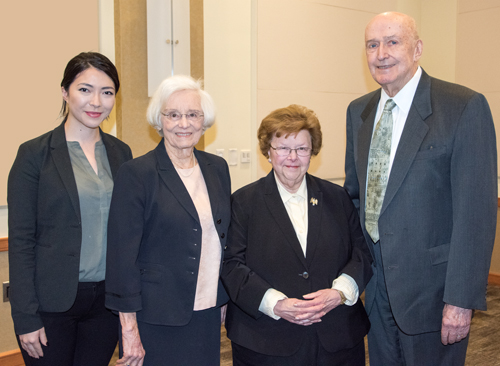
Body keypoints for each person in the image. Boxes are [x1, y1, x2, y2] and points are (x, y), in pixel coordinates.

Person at [344, 11, 497, 366]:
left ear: (418, 49)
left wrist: (460, 299)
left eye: (393, 42)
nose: (381, 53)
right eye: (372, 44)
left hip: (435, 292)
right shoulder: (359, 112)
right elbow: (355, 197)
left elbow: (476, 214)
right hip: (377, 289)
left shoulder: (462, 107)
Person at [221, 104, 373, 366]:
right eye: (282, 148)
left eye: (302, 148)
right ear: (268, 152)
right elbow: (232, 265)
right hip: (266, 340)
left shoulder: (337, 198)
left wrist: (339, 293)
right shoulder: (243, 202)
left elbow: (361, 253)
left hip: (336, 339)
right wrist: (275, 304)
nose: (292, 157)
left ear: (312, 152)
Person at [8, 52, 133, 366]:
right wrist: (25, 318)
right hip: (52, 303)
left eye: (107, 92)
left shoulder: (121, 153)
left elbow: (128, 232)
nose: (96, 102)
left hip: (106, 303)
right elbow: (21, 241)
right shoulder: (34, 154)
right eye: (85, 89)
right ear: (65, 92)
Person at [105, 75, 230, 366]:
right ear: (159, 121)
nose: (183, 123)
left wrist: (224, 296)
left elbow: (223, 238)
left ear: (204, 120)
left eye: (192, 114)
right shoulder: (137, 173)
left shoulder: (217, 168)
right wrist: (129, 328)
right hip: (156, 317)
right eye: (173, 115)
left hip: (207, 310)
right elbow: (122, 257)